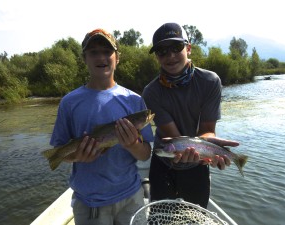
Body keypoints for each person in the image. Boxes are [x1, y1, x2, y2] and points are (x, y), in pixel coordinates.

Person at [50, 28, 154, 225]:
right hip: (90, 202)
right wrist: (78, 156)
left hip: (131, 196)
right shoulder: (69, 102)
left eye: (107, 51)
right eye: (94, 52)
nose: (101, 57)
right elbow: (60, 150)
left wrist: (133, 144)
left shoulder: (134, 100)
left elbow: (145, 154)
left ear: (117, 57)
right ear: (84, 58)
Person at [142, 22, 239, 208]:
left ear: (188, 48)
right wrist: (197, 150)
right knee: (161, 217)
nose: (170, 55)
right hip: (164, 161)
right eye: (162, 51)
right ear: (156, 56)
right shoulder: (151, 92)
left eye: (176, 47)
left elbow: (208, 131)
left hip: (197, 165)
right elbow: (177, 139)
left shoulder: (210, 81)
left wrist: (212, 148)